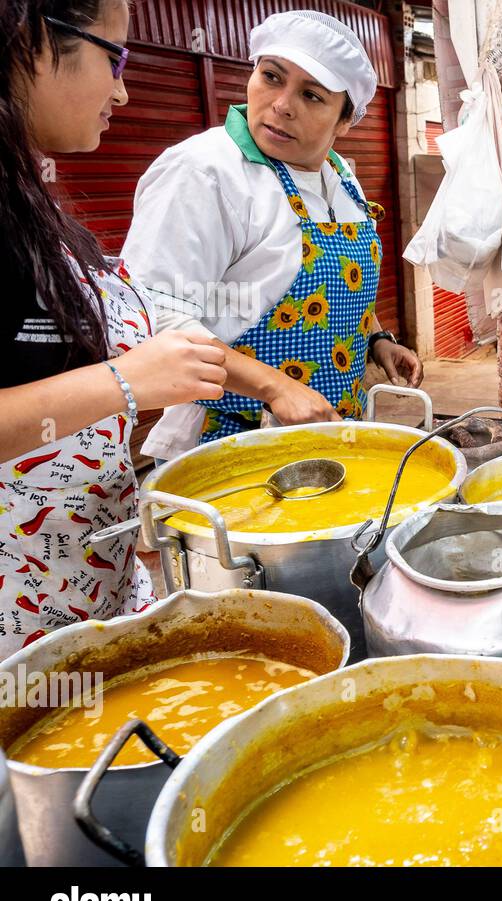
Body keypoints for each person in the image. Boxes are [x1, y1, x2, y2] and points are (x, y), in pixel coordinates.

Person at [0, 0, 228, 656]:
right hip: (21, 632)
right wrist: (124, 381)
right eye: (115, 57)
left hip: (89, 597)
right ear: (35, 38)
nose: (124, 90)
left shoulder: (27, 196)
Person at [123, 10, 423, 461]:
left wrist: (378, 340)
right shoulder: (204, 172)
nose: (282, 104)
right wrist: (275, 387)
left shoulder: (340, 176)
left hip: (331, 430)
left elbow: (339, 283)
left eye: (312, 95)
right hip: (228, 442)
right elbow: (153, 316)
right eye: (271, 76)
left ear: (345, 122)